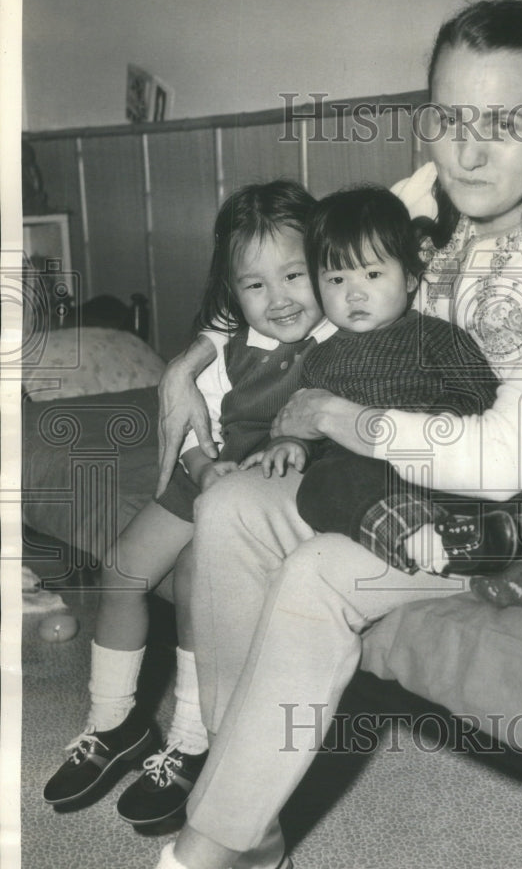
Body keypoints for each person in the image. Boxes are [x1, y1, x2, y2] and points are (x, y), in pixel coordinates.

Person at [136, 0, 522, 869]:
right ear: (427, 118)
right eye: (449, 119)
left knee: (323, 569)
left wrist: (340, 420)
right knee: (228, 506)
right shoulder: (435, 188)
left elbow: (504, 461)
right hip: (392, 478)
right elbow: (300, 262)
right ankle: (257, 834)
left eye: (507, 122)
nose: (471, 151)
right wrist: (191, 358)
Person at [43, 180, 332, 826]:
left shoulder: (344, 339)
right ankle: (113, 724)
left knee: (199, 586)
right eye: (255, 285)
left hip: (267, 492)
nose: (278, 298)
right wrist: (204, 466)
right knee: (122, 571)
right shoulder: (225, 348)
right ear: (232, 292)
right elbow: (193, 440)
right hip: (206, 473)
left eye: (294, 274)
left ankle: (193, 741)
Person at [244, 184, 522, 596]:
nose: (354, 293)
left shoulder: (435, 336)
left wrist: (439, 421)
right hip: (378, 480)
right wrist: (293, 443)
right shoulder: (320, 359)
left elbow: (478, 393)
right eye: (336, 278)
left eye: (373, 274)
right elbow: (312, 430)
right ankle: (426, 542)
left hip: (452, 466)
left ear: (412, 276)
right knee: (321, 485)